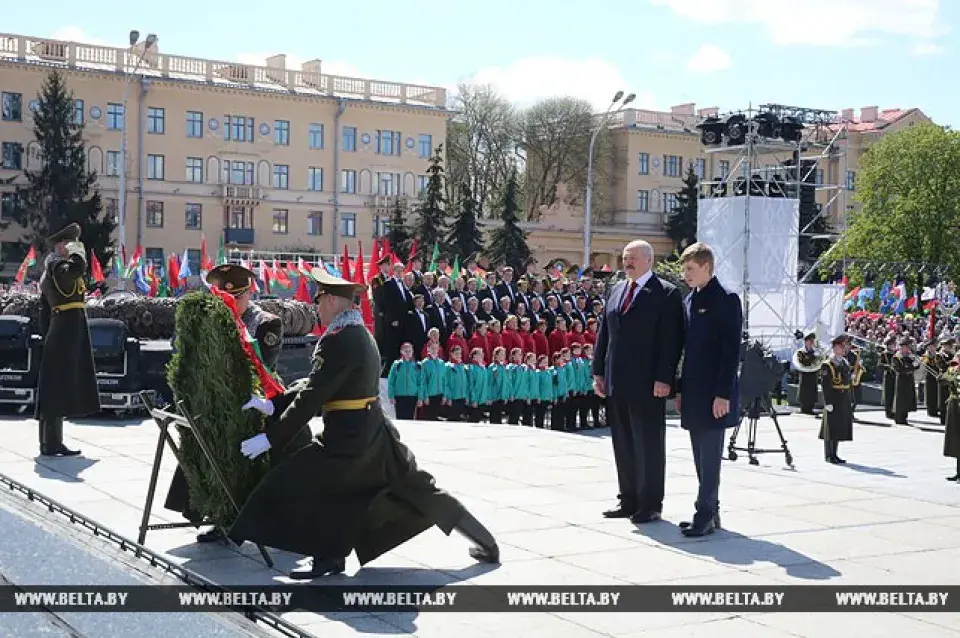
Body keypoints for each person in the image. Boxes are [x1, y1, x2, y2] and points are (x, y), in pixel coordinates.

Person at [228, 268, 500, 579]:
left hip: (350, 440)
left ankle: (304, 550)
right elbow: (316, 384)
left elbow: (314, 394)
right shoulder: (354, 333)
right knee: (418, 491)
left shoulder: (341, 340)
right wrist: (273, 403)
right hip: (371, 434)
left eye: (318, 301)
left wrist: (272, 437)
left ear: (331, 300)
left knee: (293, 480)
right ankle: (487, 543)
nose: (315, 308)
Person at [164, 263, 288, 543]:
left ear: (247, 295)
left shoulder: (265, 322)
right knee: (204, 453)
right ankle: (217, 516)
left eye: (234, 299)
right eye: (223, 299)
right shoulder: (216, 320)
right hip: (217, 403)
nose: (229, 304)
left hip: (257, 404)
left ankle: (244, 521)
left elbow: (264, 368)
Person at [593, 240, 685, 523]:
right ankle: (628, 499)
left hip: (648, 383)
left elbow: (672, 341)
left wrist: (665, 378)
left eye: (632, 258)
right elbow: (604, 334)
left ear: (649, 260)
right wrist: (598, 371)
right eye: (624, 257)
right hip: (617, 381)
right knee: (622, 442)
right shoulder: (618, 289)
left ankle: (650, 503)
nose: (627, 262)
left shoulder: (666, 293)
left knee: (648, 444)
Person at [673, 243, 742, 538]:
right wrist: (679, 389)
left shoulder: (725, 299)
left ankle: (704, 513)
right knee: (699, 454)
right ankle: (710, 512)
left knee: (711, 455)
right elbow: (686, 351)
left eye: (690, 268)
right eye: (684, 268)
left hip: (715, 392)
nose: (685, 274)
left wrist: (723, 394)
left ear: (706, 267)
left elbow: (730, 351)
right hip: (693, 390)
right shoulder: (691, 300)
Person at [36, 222, 100, 457]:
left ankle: (51, 442)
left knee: (56, 385)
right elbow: (74, 272)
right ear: (62, 245)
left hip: (61, 326)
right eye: (71, 243)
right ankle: (51, 443)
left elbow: (44, 309)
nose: (75, 247)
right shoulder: (57, 266)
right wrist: (78, 255)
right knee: (56, 386)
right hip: (65, 327)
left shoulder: (51, 268)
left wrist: (45, 333)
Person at [820, 335, 855, 464]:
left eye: (843, 347)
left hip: (843, 397)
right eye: (840, 347)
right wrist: (827, 402)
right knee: (831, 427)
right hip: (833, 398)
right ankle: (829, 455)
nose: (843, 349)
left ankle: (835, 453)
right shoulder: (827, 364)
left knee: (839, 426)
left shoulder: (844, 362)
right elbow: (825, 385)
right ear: (834, 348)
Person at [794, 333, 819, 415]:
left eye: (812, 341)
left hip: (813, 374)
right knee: (804, 392)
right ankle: (804, 408)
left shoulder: (815, 352)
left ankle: (811, 407)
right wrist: (812, 357)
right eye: (810, 341)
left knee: (812, 391)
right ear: (805, 342)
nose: (811, 343)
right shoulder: (801, 352)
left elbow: (819, 362)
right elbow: (803, 362)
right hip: (805, 375)